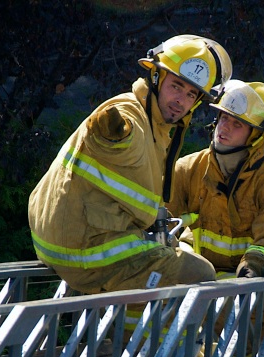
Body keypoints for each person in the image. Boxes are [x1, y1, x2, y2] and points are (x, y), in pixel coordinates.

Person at [28, 35, 232, 294]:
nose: (181, 100)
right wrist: (113, 132)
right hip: (86, 251)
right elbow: (114, 133)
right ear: (156, 78)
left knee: (178, 253)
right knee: (199, 273)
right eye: (176, 86)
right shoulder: (130, 113)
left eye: (191, 94)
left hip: (68, 242)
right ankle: (138, 323)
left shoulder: (157, 127)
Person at [166, 80, 264, 279]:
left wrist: (256, 263)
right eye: (224, 118)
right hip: (200, 286)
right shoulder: (188, 169)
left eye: (237, 124)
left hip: (253, 290)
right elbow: (161, 220)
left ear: (256, 136)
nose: (225, 127)